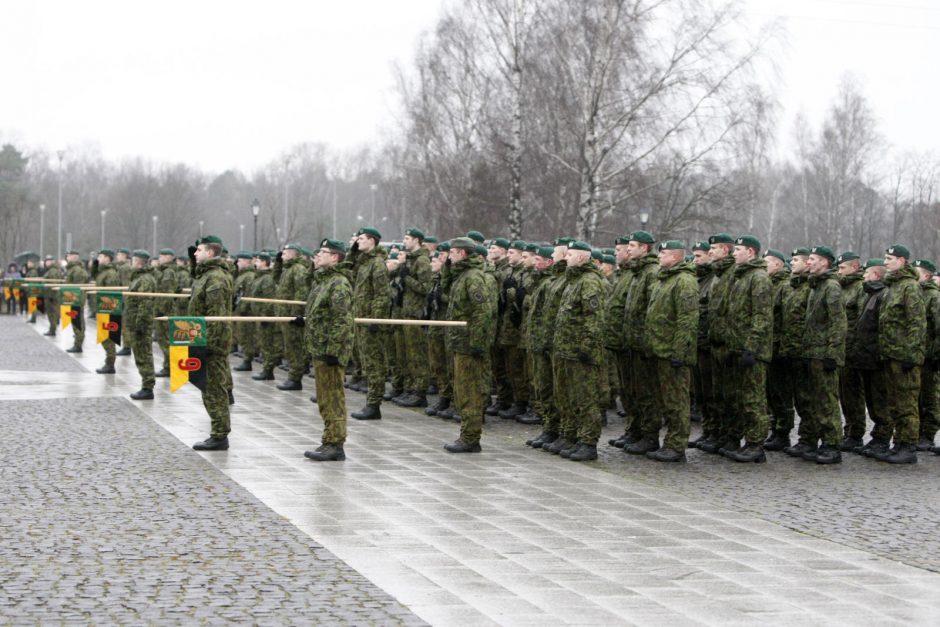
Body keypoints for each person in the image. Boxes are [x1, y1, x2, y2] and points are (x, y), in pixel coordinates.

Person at [294, 239, 355, 461]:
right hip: (319, 346)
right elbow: (323, 313)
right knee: (324, 397)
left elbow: (341, 320)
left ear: (335, 257)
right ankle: (328, 439)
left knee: (333, 397)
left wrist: (334, 349)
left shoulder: (338, 282)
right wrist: (307, 321)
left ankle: (336, 444)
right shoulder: (323, 281)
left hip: (330, 350)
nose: (317, 256)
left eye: (323, 252)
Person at [551, 240, 607, 461]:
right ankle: (573, 437)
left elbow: (594, 319)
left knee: (587, 398)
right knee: (571, 397)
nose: (566, 258)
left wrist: (586, 347)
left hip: (582, 352)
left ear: (583, 257)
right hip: (567, 350)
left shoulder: (590, 282)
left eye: (571, 254)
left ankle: (588, 442)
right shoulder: (573, 281)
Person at [643, 241, 698, 462]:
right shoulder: (663, 279)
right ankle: (669, 443)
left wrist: (679, 351)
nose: (659, 256)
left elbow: (687, 320)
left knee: (677, 401)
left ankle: (677, 446)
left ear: (675, 257)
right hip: (659, 350)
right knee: (665, 400)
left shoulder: (684, 281)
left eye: (663, 253)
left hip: (673, 353)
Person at [443, 237, 497, 452]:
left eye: (453, 252)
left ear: (463, 253)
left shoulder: (473, 277)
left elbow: (482, 311)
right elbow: (446, 293)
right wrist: (447, 269)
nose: (449, 256)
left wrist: (476, 342)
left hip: (469, 345)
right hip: (460, 343)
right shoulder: (462, 275)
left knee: (470, 392)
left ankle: (471, 438)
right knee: (461, 391)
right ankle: (467, 434)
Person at [874, 245, 926, 464]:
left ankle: (908, 446)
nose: (885, 262)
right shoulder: (893, 286)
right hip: (890, 354)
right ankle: (898, 443)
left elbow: (917, 323)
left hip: (904, 356)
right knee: (894, 402)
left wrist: (911, 354)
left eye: (890, 258)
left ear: (902, 261)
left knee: (907, 403)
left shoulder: (909, 287)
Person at [722, 235, 772, 463]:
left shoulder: (758, 278)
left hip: (752, 351)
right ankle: (742, 439)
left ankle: (755, 444)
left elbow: (761, 316)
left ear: (750, 252)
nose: (734, 253)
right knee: (739, 397)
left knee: (754, 399)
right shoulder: (740, 276)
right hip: (737, 347)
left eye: (738, 249)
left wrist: (751, 348)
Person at [797, 246, 846, 464]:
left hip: (824, 353)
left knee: (827, 401)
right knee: (815, 400)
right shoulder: (816, 286)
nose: (809, 263)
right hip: (812, 351)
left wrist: (832, 354)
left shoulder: (831, 287)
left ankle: (832, 445)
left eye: (813, 259)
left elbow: (837, 322)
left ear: (824, 263)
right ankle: (817, 440)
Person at [189, 235, 235, 451]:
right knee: (209, 387)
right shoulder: (206, 275)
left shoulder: (215, 278)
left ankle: (219, 434)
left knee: (214, 388)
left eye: (199, 250)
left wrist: (207, 344)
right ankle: (217, 431)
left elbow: (216, 316)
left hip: (211, 343)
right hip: (201, 338)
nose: (195, 253)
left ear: (210, 253)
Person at [621, 231, 661, 455]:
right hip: (631, 343)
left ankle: (650, 436)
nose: (628, 249)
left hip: (643, 344)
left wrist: (647, 342)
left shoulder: (650, 273)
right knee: (634, 392)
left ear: (644, 248)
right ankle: (637, 431)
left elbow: (651, 312)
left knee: (648, 393)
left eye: (633, 245)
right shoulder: (637, 272)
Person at [350, 227, 390, 420]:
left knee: (374, 364)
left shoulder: (377, 264)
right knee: (367, 362)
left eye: (362, 239)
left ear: (372, 241)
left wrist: (375, 319)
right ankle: (371, 401)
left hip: (370, 320)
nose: (358, 242)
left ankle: (374, 404)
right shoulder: (364, 263)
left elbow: (382, 295)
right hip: (361, 319)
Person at [836, 251, 868, 452]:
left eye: (842, 268)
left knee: (854, 394)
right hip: (841, 349)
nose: (839, 272)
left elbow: (861, 322)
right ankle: (848, 430)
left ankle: (856, 434)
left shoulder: (859, 289)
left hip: (853, 349)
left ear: (854, 268)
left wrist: (856, 349)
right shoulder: (842, 287)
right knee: (844, 394)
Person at [762, 249, 793, 451]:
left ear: (778, 265)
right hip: (769, 345)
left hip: (779, 346)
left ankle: (783, 432)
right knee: (772, 393)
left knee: (782, 393)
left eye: (767, 263)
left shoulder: (785, 286)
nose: (764, 267)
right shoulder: (769, 285)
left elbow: (787, 320)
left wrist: (783, 346)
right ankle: (775, 430)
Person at [913, 259, 940, 451]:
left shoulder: (933, 297)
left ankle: (928, 434)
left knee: (931, 396)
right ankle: (917, 433)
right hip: (917, 354)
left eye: (917, 273)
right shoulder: (916, 294)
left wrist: (935, 354)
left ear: (927, 276)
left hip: (930, 355)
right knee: (918, 396)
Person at [124, 250, 158, 400]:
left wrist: (140, 325)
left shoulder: (145, 280)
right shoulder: (139, 278)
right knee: (140, 355)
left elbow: (145, 304)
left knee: (144, 355)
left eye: (132, 261)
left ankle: (147, 387)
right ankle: (146, 385)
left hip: (141, 325)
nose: (131, 264)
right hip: (135, 323)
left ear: (138, 262)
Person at [250, 252, 282, 381]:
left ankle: (268, 369)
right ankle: (266, 368)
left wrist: (265, 315)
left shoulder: (267, 278)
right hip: (259, 315)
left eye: (258, 260)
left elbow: (269, 299)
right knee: (264, 343)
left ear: (264, 262)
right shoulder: (259, 277)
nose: (255, 263)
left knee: (268, 344)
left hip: (266, 317)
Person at [93, 248, 122, 374]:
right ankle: (109, 362)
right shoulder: (103, 272)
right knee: (104, 337)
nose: (98, 259)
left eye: (100, 257)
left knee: (107, 337)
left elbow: (111, 292)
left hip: (108, 309)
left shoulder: (110, 273)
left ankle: (110, 363)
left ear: (107, 258)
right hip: (102, 307)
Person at [153, 249, 178, 377]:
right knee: (163, 340)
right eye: (160, 255)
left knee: (166, 340)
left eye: (163, 256)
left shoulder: (168, 272)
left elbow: (167, 294)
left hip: (165, 310)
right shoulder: (162, 271)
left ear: (170, 257)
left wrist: (161, 311)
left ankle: (169, 366)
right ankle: (168, 365)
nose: (160, 258)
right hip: (161, 309)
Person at [42, 255, 64, 336]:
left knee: (52, 313)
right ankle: (52, 328)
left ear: (51, 262)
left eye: (48, 261)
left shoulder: (53, 271)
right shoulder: (51, 270)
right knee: (51, 313)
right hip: (50, 295)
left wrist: (51, 296)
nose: (46, 262)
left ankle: (52, 329)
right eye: (46, 261)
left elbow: (54, 284)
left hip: (51, 295)